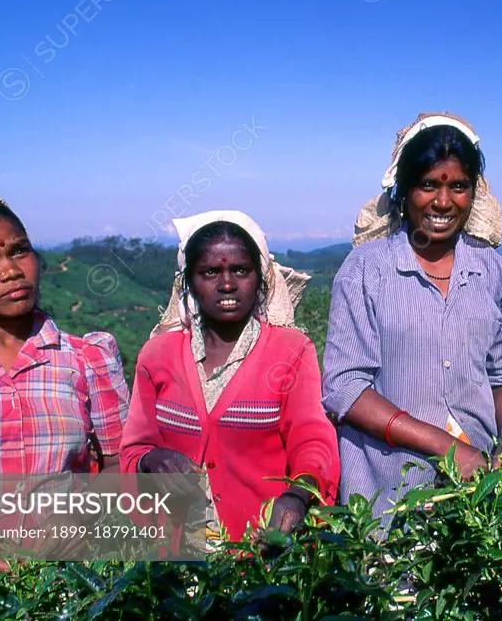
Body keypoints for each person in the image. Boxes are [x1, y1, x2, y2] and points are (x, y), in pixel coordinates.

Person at [322, 113, 502, 522]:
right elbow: (345, 388)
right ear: (404, 191)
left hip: (479, 486)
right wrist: (446, 446)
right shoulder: (366, 272)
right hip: (387, 489)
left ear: (474, 194)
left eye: (458, 187)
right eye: (428, 185)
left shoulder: (499, 277)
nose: (444, 202)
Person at [0, 196, 129, 593]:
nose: (10, 271)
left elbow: (118, 463)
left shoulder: (88, 357)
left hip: (66, 584)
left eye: (19, 250)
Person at [119, 210, 339, 548]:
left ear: (260, 278)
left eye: (240, 270)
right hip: (174, 552)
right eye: (210, 272)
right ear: (189, 281)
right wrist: (150, 460)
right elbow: (134, 447)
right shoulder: (156, 355)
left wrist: (298, 493)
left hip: (262, 550)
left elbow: (312, 441)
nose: (226, 284)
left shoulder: (291, 352)